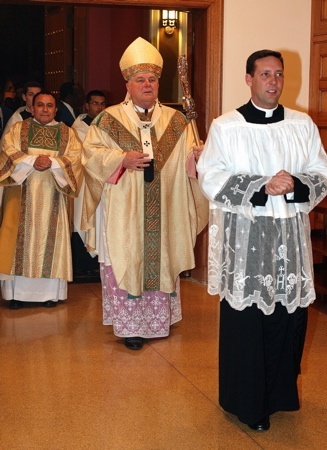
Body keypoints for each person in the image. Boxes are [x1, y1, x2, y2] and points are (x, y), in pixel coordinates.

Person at [197, 50, 327, 431]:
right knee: (248, 321)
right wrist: (261, 186)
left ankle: (280, 395)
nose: (273, 82)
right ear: (249, 79)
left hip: (290, 239)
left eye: (278, 74)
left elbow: (322, 169)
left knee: (288, 318)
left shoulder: (301, 124)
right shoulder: (226, 126)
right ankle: (247, 403)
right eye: (265, 74)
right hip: (246, 243)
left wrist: (297, 183)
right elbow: (211, 176)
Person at [82, 37, 207, 350]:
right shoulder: (108, 119)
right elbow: (90, 155)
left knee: (160, 256)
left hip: (164, 209)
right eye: (141, 79)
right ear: (128, 83)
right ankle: (130, 328)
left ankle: (157, 322)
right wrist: (121, 159)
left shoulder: (176, 121)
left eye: (152, 79)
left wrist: (199, 157)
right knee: (127, 256)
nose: (148, 84)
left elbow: (187, 161)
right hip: (124, 209)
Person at [0, 91, 82, 309]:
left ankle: (49, 295)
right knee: (18, 240)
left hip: (53, 196)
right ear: (32, 108)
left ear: (56, 109)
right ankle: (16, 295)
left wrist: (52, 164)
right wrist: (33, 161)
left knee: (50, 241)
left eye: (49, 106)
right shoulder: (18, 129)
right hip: (21, 194)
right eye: (40, 105)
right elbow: (7, 151)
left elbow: (75, 159)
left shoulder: (67, 133)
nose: (45, 109)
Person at [71, 90, 106, 280]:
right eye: (95, 103)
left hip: (102, 180)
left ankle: (97, 263)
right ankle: (83, 265)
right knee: (83, 220)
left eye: (102, 103)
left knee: (100, 220)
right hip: (84, 181)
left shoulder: (107, 124)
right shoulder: (77, 129)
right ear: (86, 105)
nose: (99, 107)